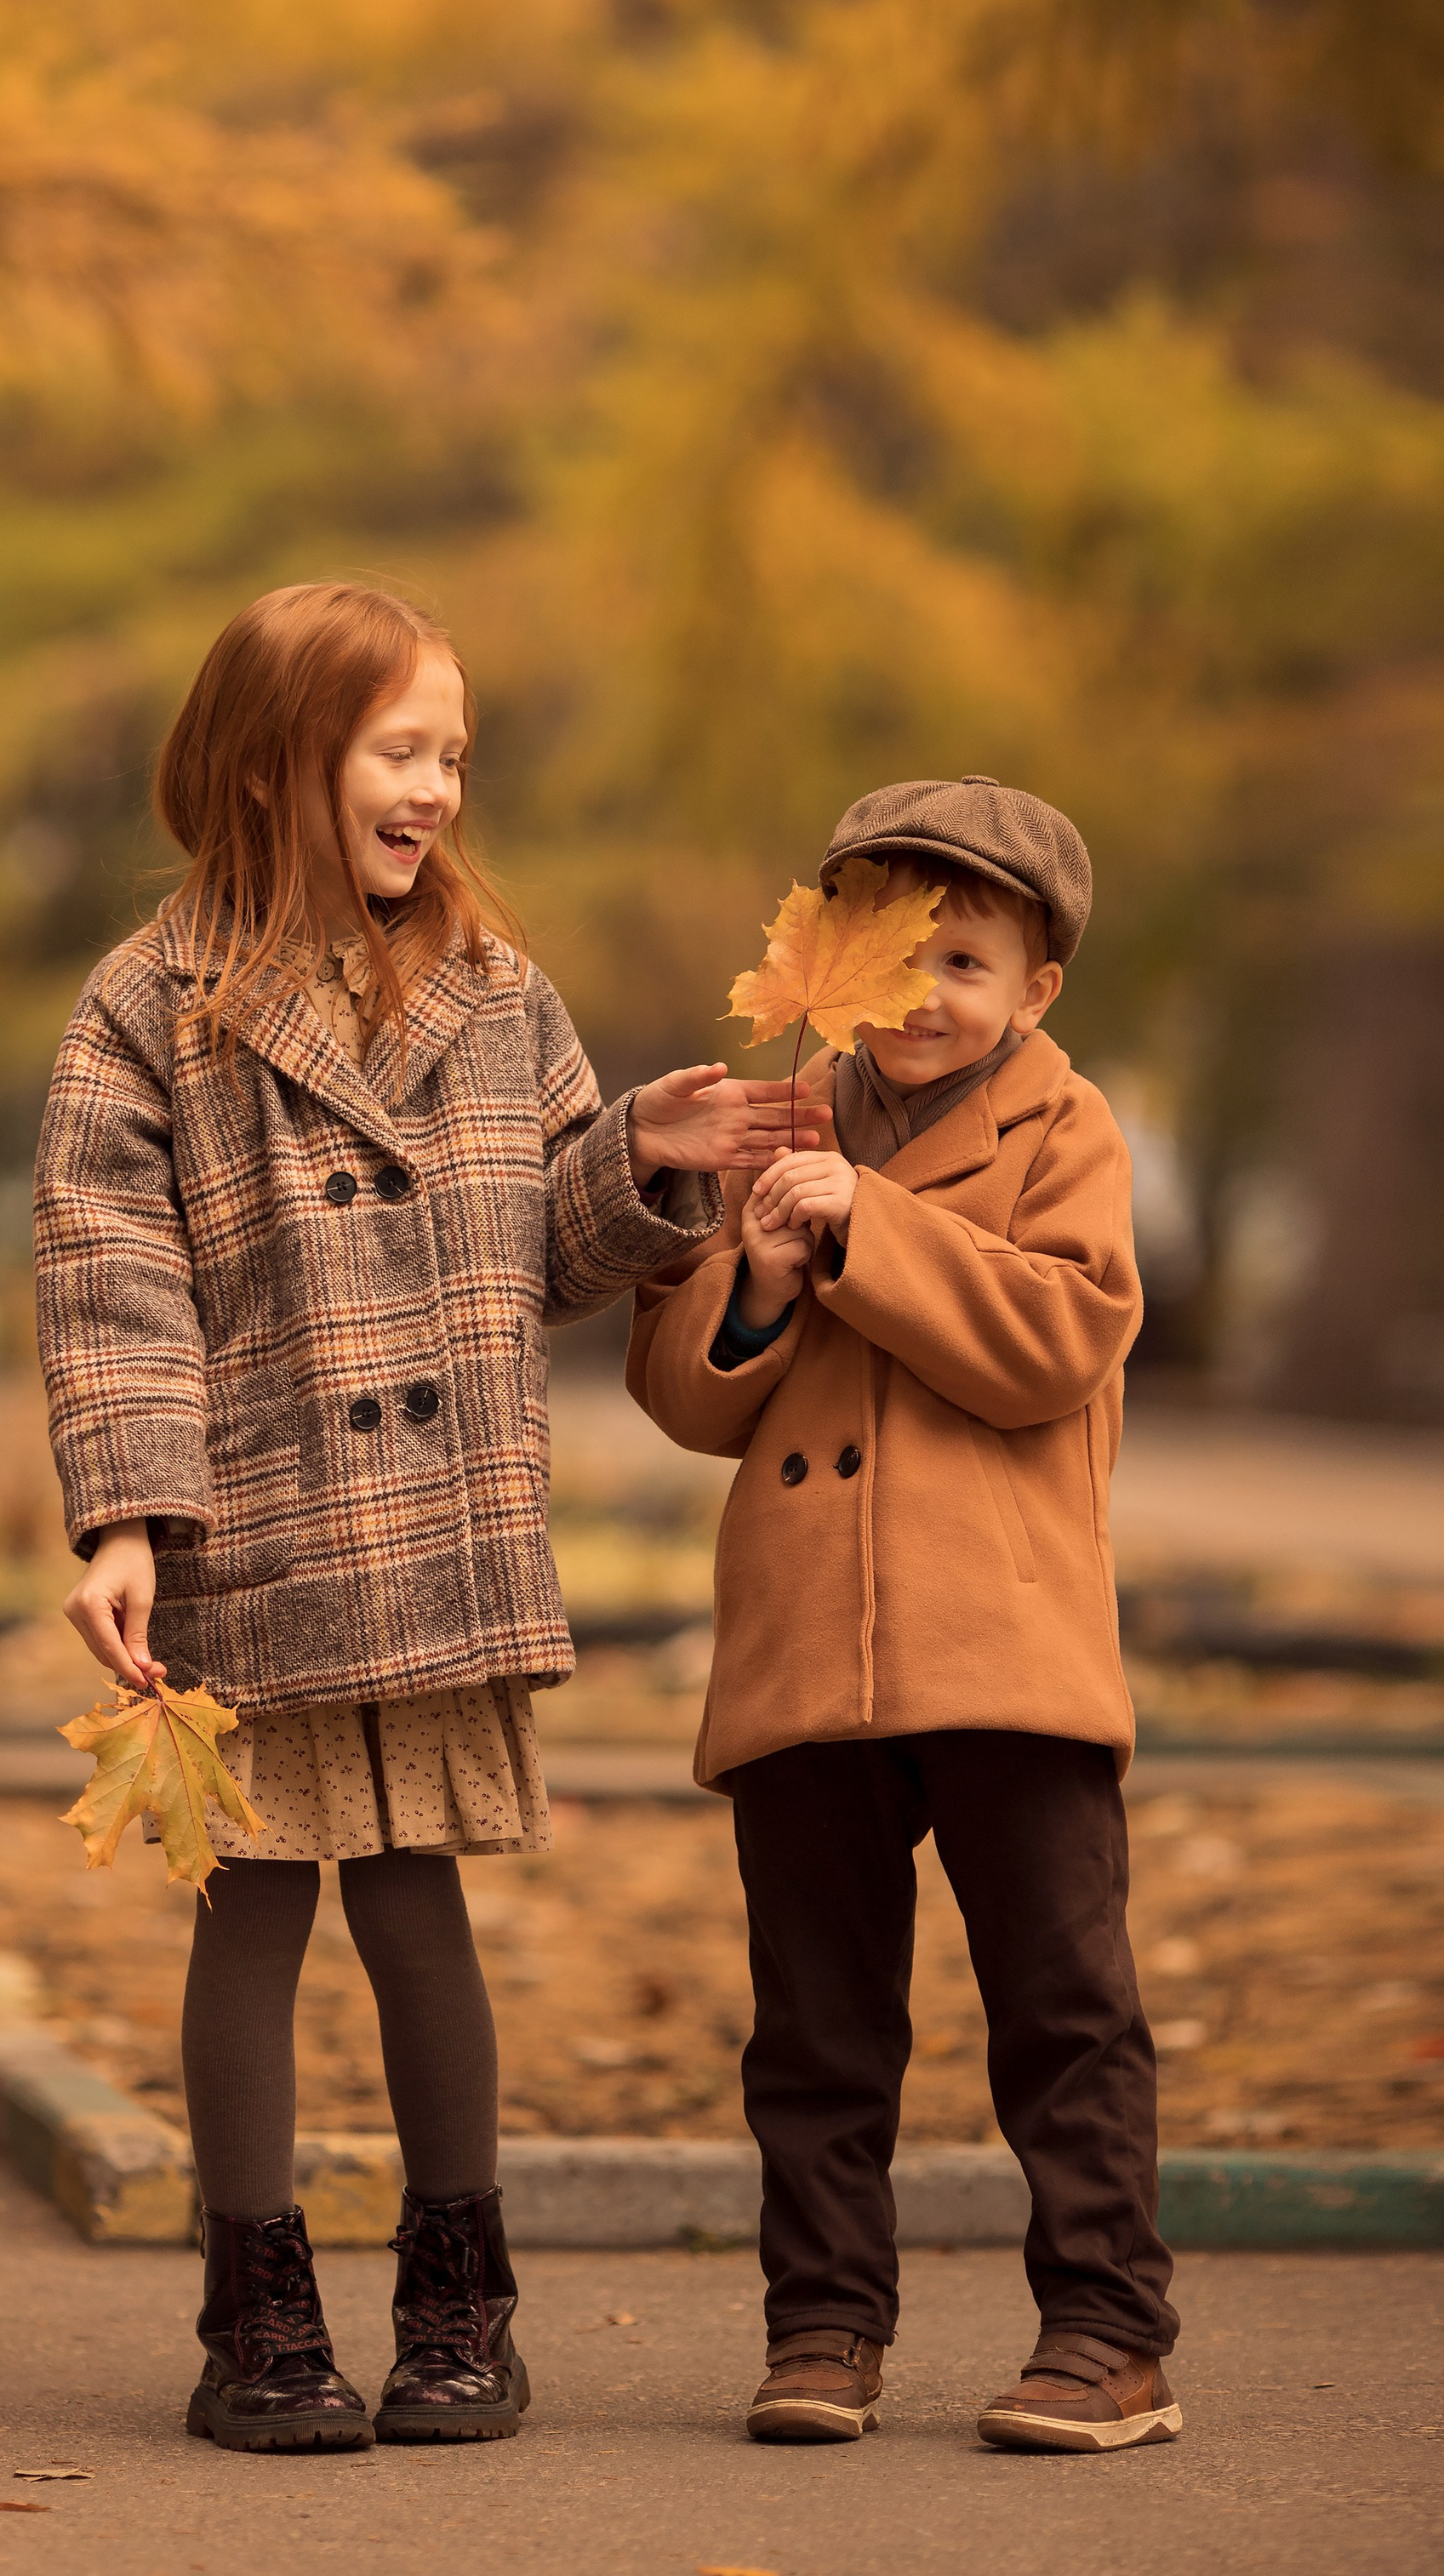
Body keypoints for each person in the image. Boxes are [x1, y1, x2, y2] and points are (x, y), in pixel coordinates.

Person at [34, 580, 816, 2454]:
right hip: (259, 1528)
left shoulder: (494, 989)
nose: (437, 788)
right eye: (401, 748)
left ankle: (462, 2295)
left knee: (415, 1903)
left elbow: (543, 1243)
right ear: (270, 759)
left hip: (442, 1525)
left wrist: (632, 1161)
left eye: (453, 753)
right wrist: (127, 1519)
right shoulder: (146, 1007)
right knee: (250, 1907)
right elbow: (105, 1268)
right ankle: (257, 2305)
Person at [628, 775, 1182, 2455]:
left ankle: (1105, 2329)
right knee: (812, 2023)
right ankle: (821, 2323)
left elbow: (1052, 1340)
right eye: (891, 953)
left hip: (999, 1647)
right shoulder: (781, 1125)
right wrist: (760, 1286)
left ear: (1035, 990)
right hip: (805, 1651)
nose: (925, 994)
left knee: (1061, 2005)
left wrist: (868, 1229)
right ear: (825, 957)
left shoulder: (1061, 1132)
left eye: (965, 960)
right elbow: (686, 1398)